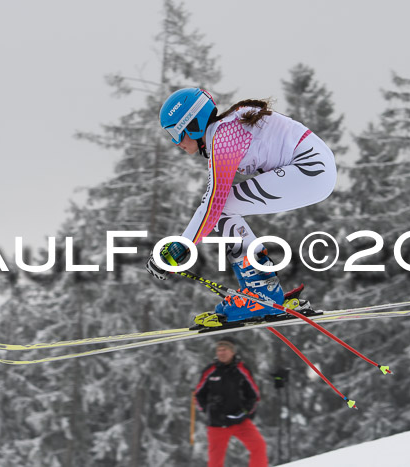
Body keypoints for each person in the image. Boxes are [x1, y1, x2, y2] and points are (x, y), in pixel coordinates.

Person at [146, 87, 337, 327]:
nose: (175, 143)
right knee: (224, 208)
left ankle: (260, 292)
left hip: (310, 169)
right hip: (314, 170)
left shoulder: (223, 136)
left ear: (193, 124)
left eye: (175, 133)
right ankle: (262, 287)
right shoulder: (226, 131)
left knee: (223, 209)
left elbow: (214, 202)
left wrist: (181, 248)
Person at [194, 338, 268, 467]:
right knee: (215, 461)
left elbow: (254, 395)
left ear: (232, 352)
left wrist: (245, 411)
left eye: (225, 350)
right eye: (219, 350)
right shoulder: (210, 370)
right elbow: (198, 394)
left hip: (240, 421)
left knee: (259, 446)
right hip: (217, 424)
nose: (221, 353)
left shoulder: (241, 369)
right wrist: (209, 410)